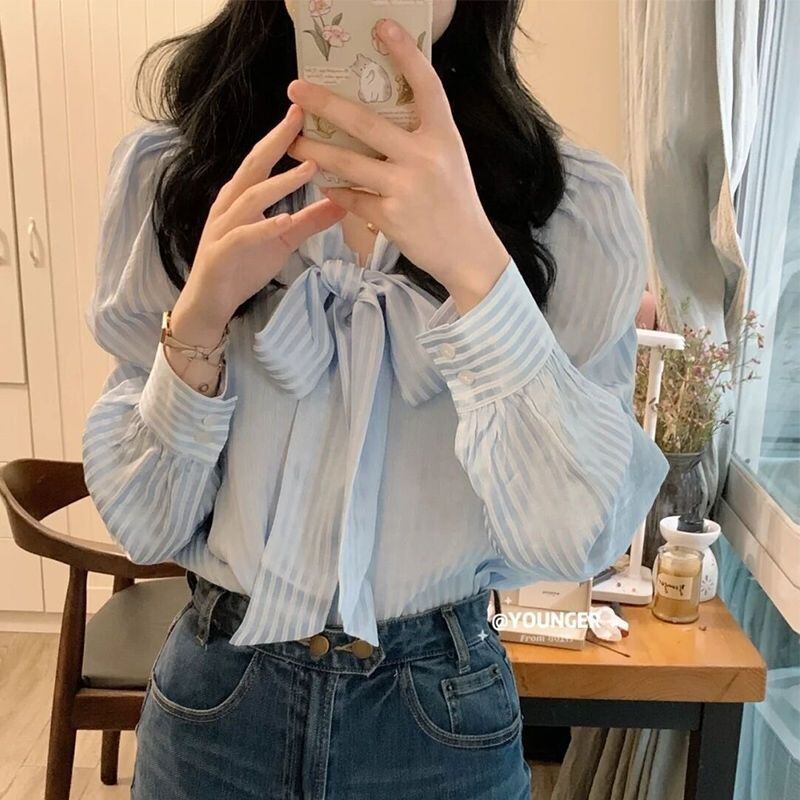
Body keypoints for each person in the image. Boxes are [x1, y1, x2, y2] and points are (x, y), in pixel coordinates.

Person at [81, 1, 669, 797]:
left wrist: (478, 273)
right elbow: (145, 523)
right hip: (219, 707)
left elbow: (577, 537)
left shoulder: (567, 207)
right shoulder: (179, 177)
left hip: (439, 718)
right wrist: (201, 316)